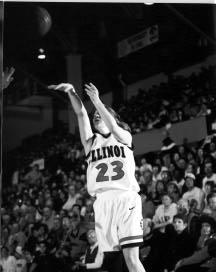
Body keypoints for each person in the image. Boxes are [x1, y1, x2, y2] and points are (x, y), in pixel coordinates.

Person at [48, 82, 145, 272]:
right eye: (95, 115)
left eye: (100, 113)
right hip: (102, 202)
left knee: (132, 259)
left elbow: (113, 127)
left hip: (125, 198)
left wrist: (97, 101)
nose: (96, 116)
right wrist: (71, 92)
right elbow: (81, 114)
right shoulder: (91, 142)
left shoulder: (123, 136)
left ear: (112, 117)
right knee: (112, 259)